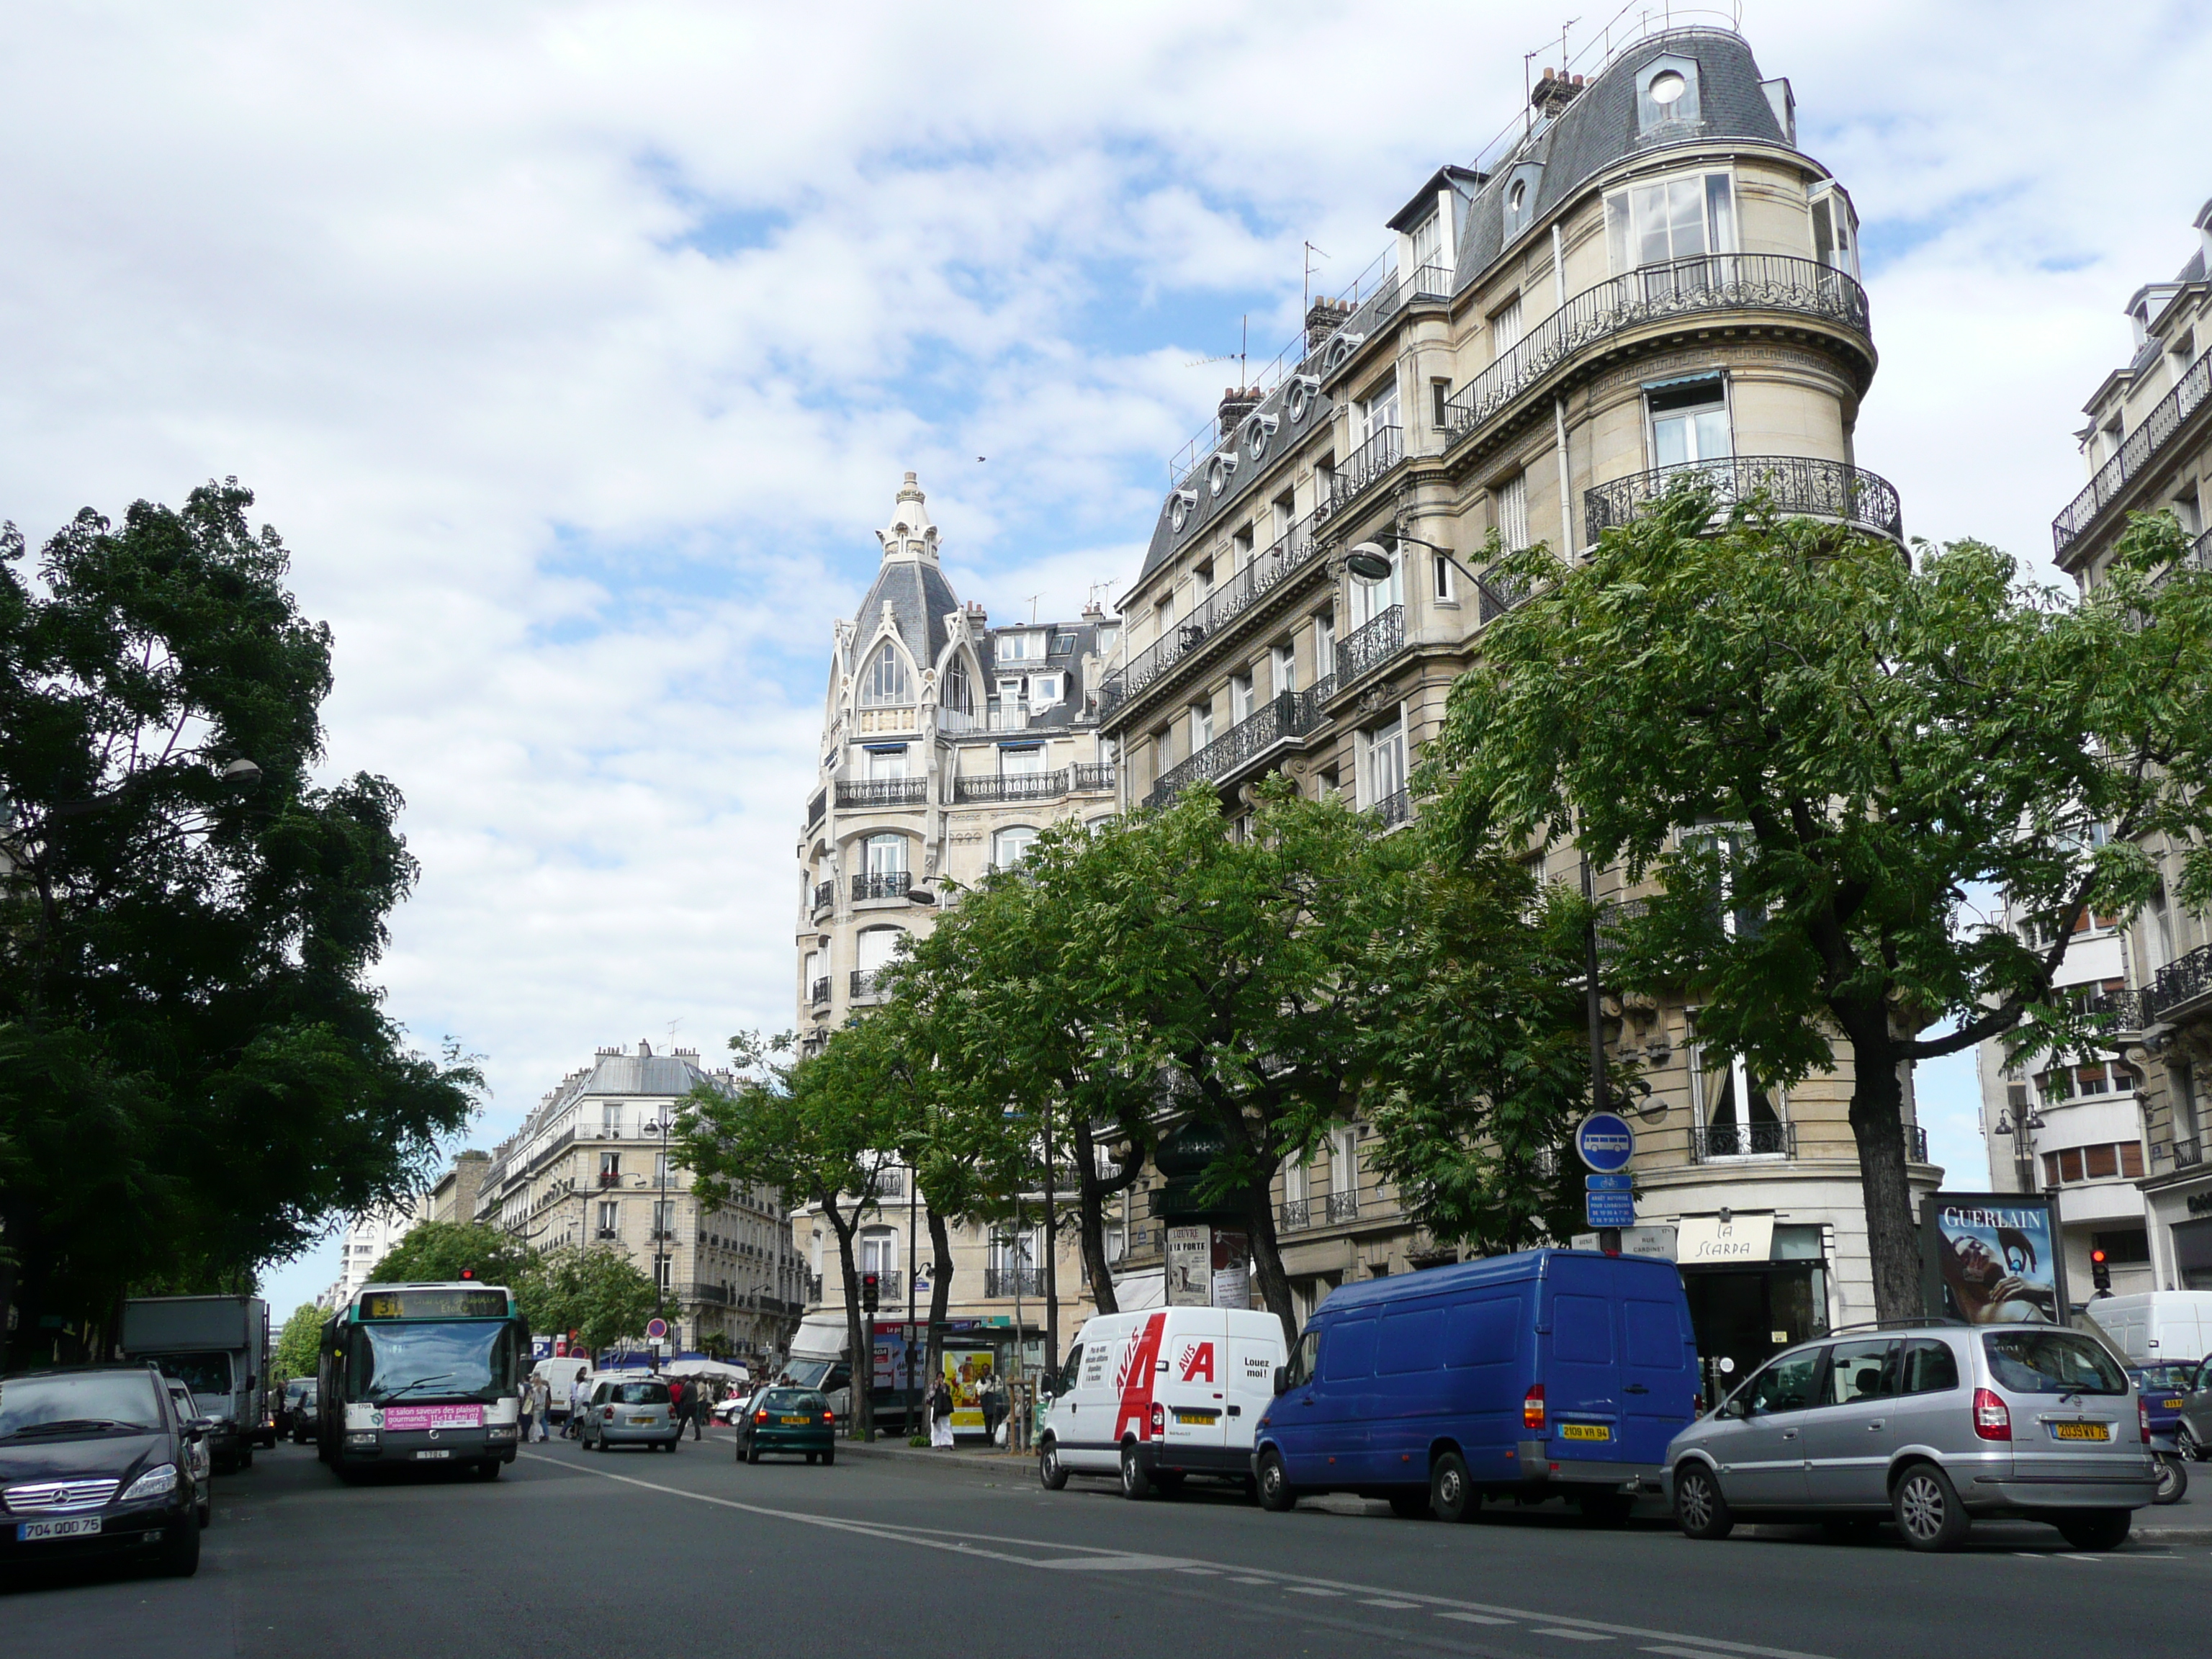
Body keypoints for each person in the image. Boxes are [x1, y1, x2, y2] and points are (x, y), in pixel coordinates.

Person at [928, 1375, 954, 1449]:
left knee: (947, 1425)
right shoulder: (933, 1386)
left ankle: (950, 1443)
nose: (940, 1379)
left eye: (942, 1377)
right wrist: (936, 1387)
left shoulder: (946, 1386)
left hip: (944, 1408)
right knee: (936, 1426)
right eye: (939, 1377)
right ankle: (938, 1444)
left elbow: (947, 1394)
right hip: (936, 1407)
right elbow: (931, 1395)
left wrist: (943, 1386)